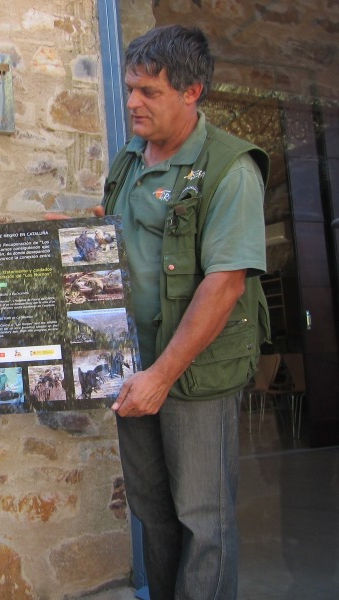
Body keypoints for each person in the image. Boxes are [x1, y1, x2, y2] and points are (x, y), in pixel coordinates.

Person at [99, 26, 269, 600]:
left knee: (202, 515)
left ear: (192, 91)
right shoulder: (128, 161)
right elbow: (102, 240)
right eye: (129, 89)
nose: (131, 103)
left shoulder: (230, 170)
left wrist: (161, 377)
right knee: (154, 509)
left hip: (192, 373)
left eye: (148, 91)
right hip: (132, 366)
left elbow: (224, 285)